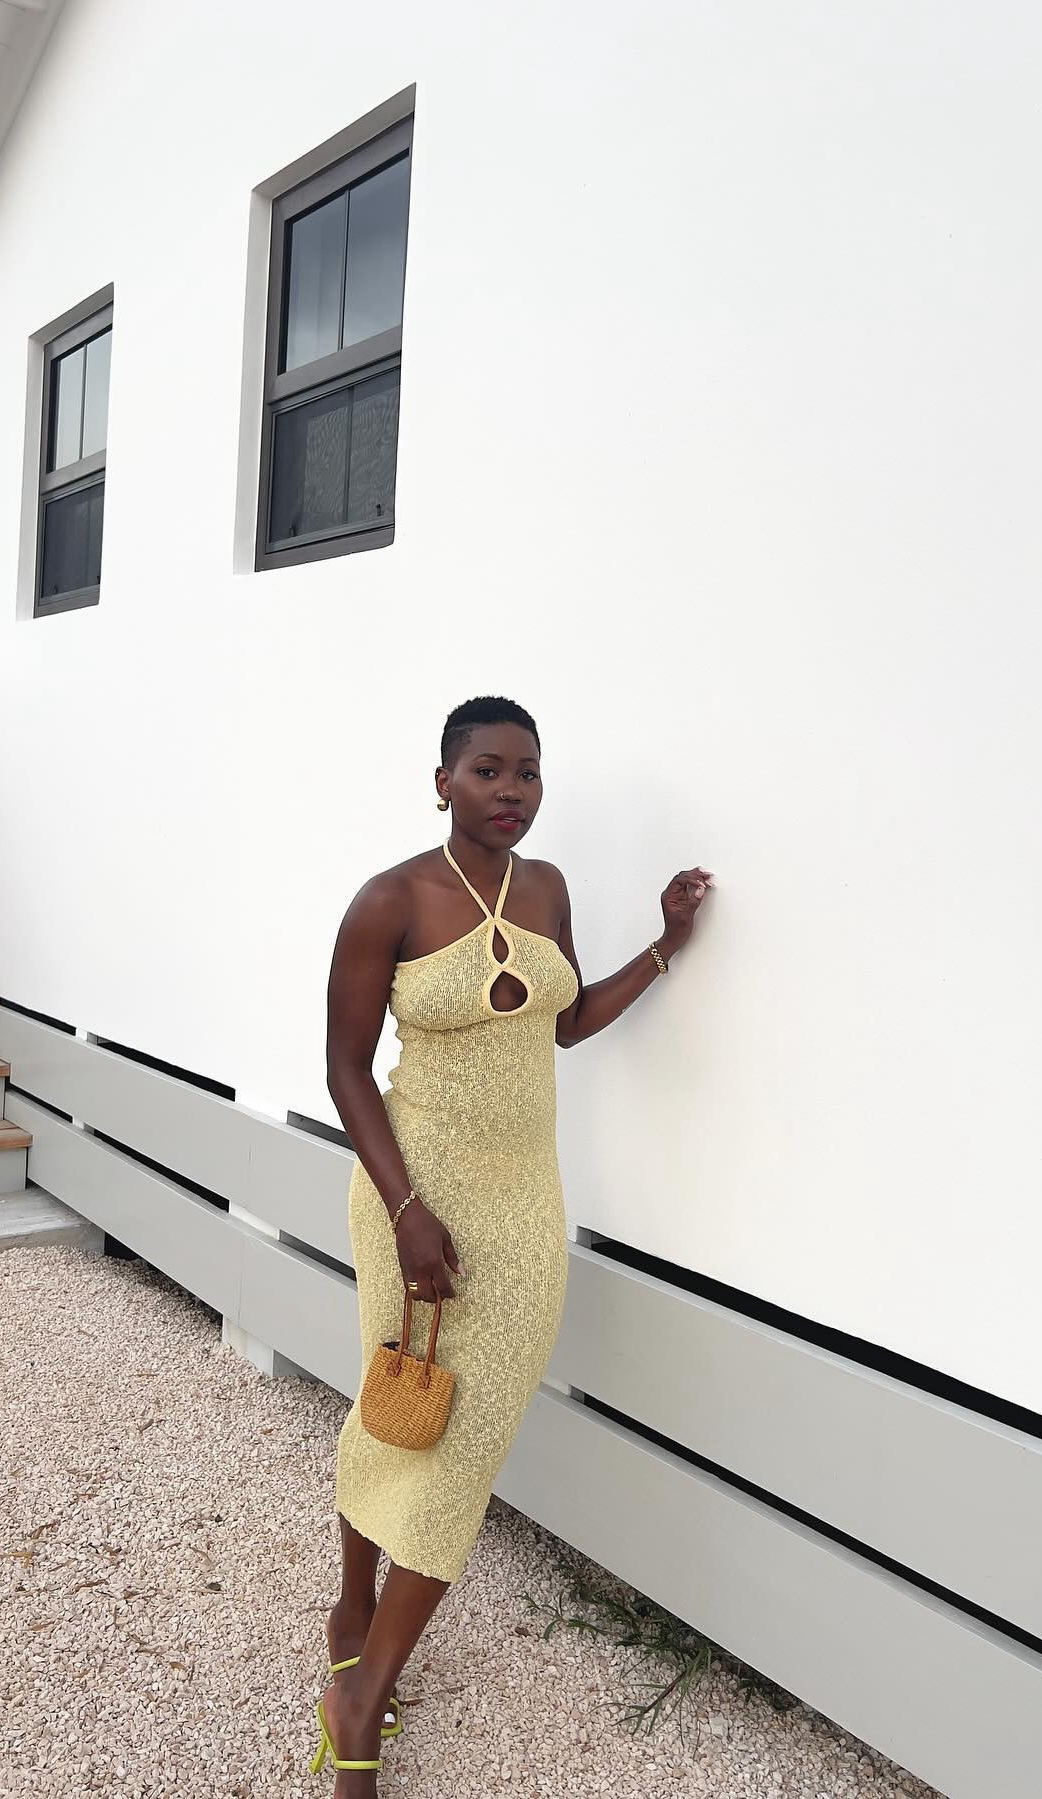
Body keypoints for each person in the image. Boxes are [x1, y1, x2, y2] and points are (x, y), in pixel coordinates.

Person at [313, 694, 712, 1788]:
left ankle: (362, 1684)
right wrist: (408, 1214)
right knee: (393, 1393)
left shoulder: (545, 889)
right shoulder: (387, 900)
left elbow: (567, 1020)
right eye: (487, 769)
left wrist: (665, 947)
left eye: (528, 772)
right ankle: (352, 1605)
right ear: (441, 779)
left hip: (525, 1206)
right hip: (410, 1192)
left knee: (466, 1438)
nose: (511, 791)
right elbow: (346, 1069)